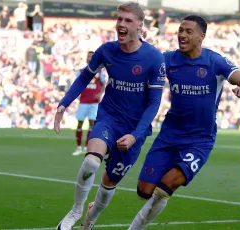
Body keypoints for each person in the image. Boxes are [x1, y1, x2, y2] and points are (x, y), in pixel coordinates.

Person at [126, 15, 240, 230]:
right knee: (144, 190)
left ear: (201, 36)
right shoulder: (167, 60)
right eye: (180, 30)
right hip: (169, 135)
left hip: (199, 140)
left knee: (165, 187)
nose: (182, 35)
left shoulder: (214, 61)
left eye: (188, 31)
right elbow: (141, 69)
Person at [53, 2, 165, 230]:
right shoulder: (106, 50)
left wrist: (135, 135)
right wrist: (64, 103)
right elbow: (85, 77)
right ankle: (76, 210)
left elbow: (154, 103)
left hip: (134, 129)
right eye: (119, 19)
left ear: (140, 26)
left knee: (108, 182)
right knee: (91, 162)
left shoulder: (154, 58)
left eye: (128, 20)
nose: (121, 24)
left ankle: (90, 219)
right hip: (109, 118)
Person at [72, 51, 106, 156]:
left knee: (92, 124)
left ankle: (87, 147)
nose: (90, 58)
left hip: (94, 103)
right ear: (86, 58)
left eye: (92, 57)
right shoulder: (81, 71)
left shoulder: (100, 72)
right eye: (89, 57)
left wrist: (100, 93)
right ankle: (78, 147)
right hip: (83, 101)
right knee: (80, 123)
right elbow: (77, 83)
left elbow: (104, 83)